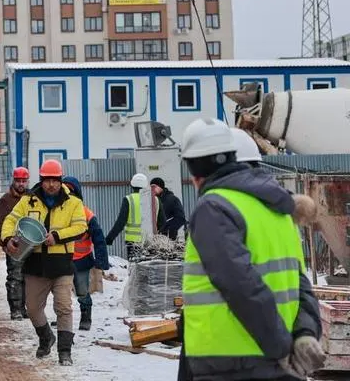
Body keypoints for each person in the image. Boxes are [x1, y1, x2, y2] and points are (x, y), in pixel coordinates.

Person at [177, 117, 326, 381]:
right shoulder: (280, 212)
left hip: (232, 362)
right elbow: (301, 285)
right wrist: (304, 334)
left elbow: (241, 286)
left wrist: (280, 348)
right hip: (278, 363)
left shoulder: (215, 208)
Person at [0, 159, 87, 366]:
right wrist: (7, 239)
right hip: (35, 264)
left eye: (54, 180)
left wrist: (57, 236)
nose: (51, 185)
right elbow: (11, 220)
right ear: (41, 180)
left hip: (62, 265)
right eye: (47, 180)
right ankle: (46, 337)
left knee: (64, 307)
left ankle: (64, 351)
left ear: (60, 180)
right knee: (32, 309)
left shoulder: (73, 202)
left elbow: (81, 227)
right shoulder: (29, 200)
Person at [62, 176, 110, 332]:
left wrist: (101, 261)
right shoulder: (58, 212)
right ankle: (63, 318)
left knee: (82, 291)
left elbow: (99, 239)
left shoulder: (86, 214)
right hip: (62, 259)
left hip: (81, 261)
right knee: (61, 293)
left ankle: (85, 316)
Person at [0, 166, 31, 320]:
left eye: (24, 181)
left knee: (30, 277)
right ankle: (16, 309)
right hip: (15, 244)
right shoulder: (5, 201)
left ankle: (25, 308)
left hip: (31, 243)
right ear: (14, 181)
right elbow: (1, 223)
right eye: (18, 181)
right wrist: (5, 241)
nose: (21, 184)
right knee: (15, 277)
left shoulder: (33, 198)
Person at [105, 172, 147, 260]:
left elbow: (121, 222)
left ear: (132, 185)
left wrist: (110, 238)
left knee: (134, 268)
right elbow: (162, 221)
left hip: (133, 242)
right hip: (150, 241)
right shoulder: (154, 199)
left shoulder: (129, 199)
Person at [149, 176, 187, 240]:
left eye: (154, 187)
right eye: (151, 187)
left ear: (160, 187)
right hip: (153, 238)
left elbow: (181, 218)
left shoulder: (172, 199)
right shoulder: (151, 200)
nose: (152, 189)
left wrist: (167, 230)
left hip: (168, 239)